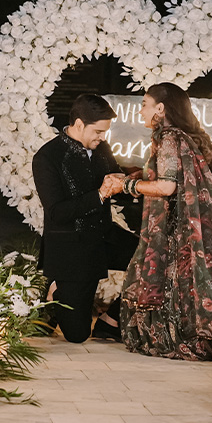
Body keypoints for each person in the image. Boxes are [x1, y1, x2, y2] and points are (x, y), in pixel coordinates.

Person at [118, 82, 212, 360]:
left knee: (180, 279)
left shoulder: (168, 137)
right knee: (194, 281)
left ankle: (180, 335)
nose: (140, 110)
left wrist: (126, 187)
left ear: (160, 108)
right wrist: (135, 176)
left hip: (182, 226)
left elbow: (167, 187)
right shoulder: (184, 136)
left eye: (144, 104)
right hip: (204, 224)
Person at [32, 94, 137, 343]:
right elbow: (57, 212)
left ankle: (111, 321)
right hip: (72, 248)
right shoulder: (47, 158)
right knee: (78, 336)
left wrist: (131, 183)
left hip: (104, 235)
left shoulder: (101, 148)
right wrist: (100, 194)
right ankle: (56, 290)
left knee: (154, 259)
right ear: (79, 124)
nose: (102, 137)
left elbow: (115, 182)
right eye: (98, 131)